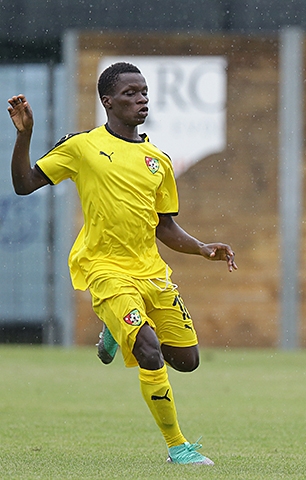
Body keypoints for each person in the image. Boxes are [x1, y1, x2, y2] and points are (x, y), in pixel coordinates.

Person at [7, 62, 237, 466]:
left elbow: (164, 227)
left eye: (144, 92)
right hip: (104, 270)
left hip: (151, 272)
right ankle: (178, 447)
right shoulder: (81, 146)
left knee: (187, 361)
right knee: (149, 352)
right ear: (107, 101)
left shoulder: (158, 160)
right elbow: (24, 184)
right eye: (130, 93)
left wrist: (201, 248)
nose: (141, 99)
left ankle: (114, 332)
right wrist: (24, 136)